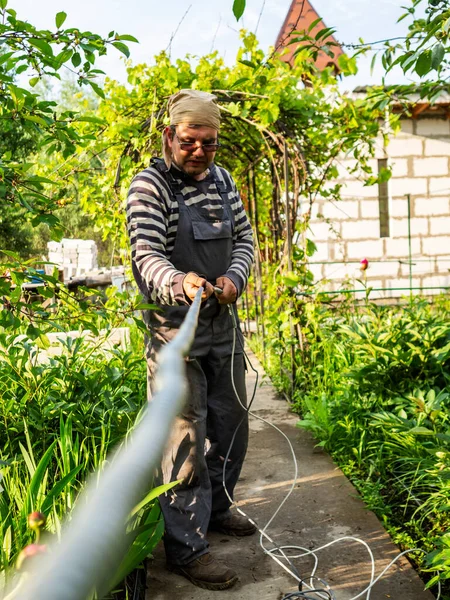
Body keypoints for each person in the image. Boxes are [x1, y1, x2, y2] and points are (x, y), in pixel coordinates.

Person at [126, 89, 255, 591]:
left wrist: (234, 280)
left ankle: (219, 508)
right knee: (184, 439)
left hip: (221, 323)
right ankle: (186, 548)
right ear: (169, 137)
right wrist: (181, 282)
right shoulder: (149, 186)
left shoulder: (223, 182)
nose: (199, 151)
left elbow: (243, 240)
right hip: (172, 332)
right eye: (189, 141)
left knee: (232, 423)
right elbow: (146, 253)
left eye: (209, 142)